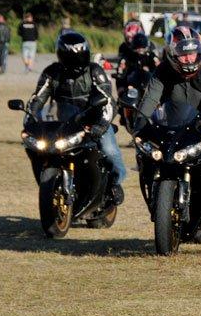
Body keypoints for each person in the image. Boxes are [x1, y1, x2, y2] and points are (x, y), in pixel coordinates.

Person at [134, 26, 201, 205]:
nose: (189, 58)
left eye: (192, 52)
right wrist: (139, 128)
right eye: (183, 53)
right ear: (172, 53)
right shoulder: (162, 71)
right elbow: (149, 100)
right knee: (150, 159)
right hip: (175, 126)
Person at [26, 32, 127, 203]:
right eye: (72, 57)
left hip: (95, 121)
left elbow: (109, 102)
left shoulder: (95, 71)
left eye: (81, 56)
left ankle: (115, 183)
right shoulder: (52, 73)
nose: (77, 61)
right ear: (61, 56)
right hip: (65, 124)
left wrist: (101, 126)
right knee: (40, 148)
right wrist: (30, 119)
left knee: (109, 151)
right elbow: (38, 98)